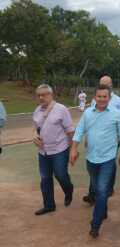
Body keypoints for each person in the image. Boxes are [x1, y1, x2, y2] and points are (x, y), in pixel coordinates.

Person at [70, 84, 120, 238]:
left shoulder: (116, 114)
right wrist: (74, 149)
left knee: (101, 191)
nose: (102, 99)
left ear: (109, 98)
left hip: (108, 159)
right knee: (97, 190)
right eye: (99, 96)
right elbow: (79, 130)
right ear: (94, 97)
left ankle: (95, 224)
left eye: (105, 96)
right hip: (91, 159)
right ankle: (103, 210)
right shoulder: (88, 113)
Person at [83, 74, 120, 205]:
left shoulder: (118, 102)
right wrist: (87, 137)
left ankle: (106, 190)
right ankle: (94, 193)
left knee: (108, 164)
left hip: (112, 139)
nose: (103, 87)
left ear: (111, 86)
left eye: (106, 84)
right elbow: (89, 120)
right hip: (95, 139)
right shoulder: (96, 100)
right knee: (94, 164)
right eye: (101, 84)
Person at [33, 84, 75, 215]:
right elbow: (36, 128)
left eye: (44, 94)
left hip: (59, 150)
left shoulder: (61, 109)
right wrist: (34, 135)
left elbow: (70, 131)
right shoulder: (37, 111)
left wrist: (72, 149)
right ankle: (49, 205)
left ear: (51, 95)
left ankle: (68, 190)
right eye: (39, 95)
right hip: (43, 152)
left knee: (61, 175)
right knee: (45, 178)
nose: (41, 97)